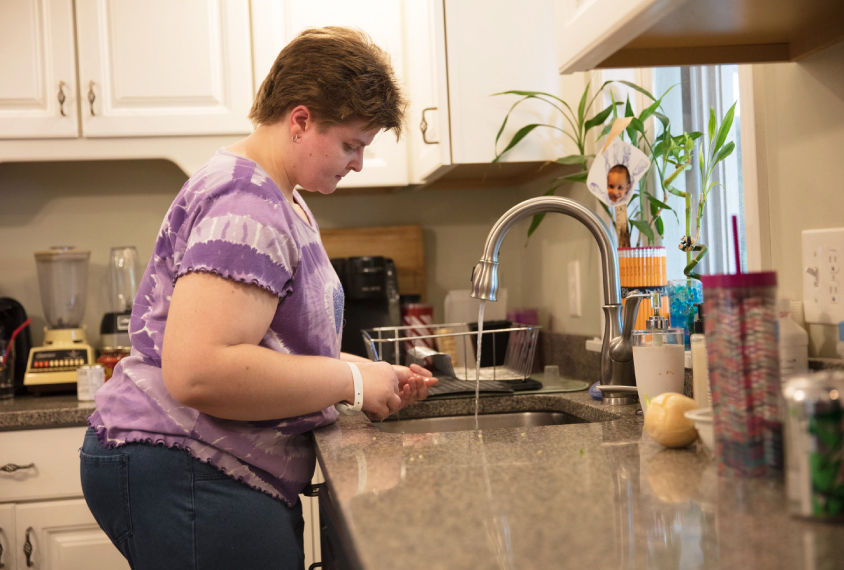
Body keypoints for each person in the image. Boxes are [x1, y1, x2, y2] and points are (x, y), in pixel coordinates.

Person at [80, 27, 436, 570]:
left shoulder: (276, 195)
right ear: (300, 121)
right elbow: (199, 371)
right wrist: (349, 381)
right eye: (350, 144)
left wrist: (366, 373)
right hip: (187, 464)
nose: (358, 162)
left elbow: (265, 346)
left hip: (201, 462)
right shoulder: (247, 204)